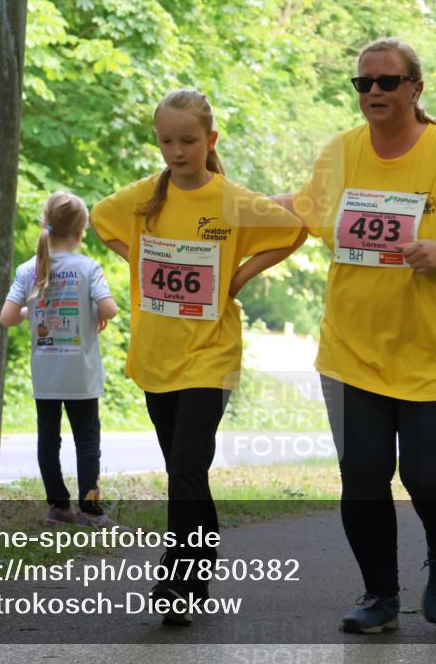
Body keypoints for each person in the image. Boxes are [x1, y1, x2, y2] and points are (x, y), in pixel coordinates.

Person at [276, 38, 436, 632]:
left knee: (429, 478)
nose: (374, 93)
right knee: (361, 475)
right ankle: (379, 597)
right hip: (354, 354)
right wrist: (218, 208)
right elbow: (298, 211)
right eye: (364, 84)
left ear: (415, 88)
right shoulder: (341, 153)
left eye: (387, 82)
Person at [91, 89, 304, 625]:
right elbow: (99, 218)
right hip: (157, 355)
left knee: (187, 468)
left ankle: (177, 582)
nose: (177, 151)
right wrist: (139, 255)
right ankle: (202, 558)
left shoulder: (230, 200)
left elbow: (293, 230)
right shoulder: (144, 197)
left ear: (210, 140)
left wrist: (239, 275)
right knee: (186, 471)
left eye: (188, 140)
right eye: (167, 140)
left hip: (211, 356)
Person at [0, 192, 120, 527]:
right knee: (87, 440)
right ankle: (92, 510)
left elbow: (7, 317)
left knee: (48, 439)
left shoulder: (30, 268)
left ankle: (58, 507)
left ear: (44, 225)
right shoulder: (87, 267)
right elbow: (109, 308)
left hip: (47, 375)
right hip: (81, 375)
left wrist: (30, 310)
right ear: (82, 231)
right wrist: (96, 311)